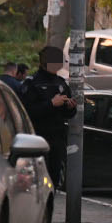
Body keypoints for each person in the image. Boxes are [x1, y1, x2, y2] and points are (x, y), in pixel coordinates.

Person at [20, 44, 76, 188]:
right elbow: (27, 111)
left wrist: (70, 107)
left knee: (54, 177)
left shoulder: (61, 83)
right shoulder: (32, 83)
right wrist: (51, 104)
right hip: (38, 138)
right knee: (38, 179)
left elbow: (68, 114)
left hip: (57, 139)